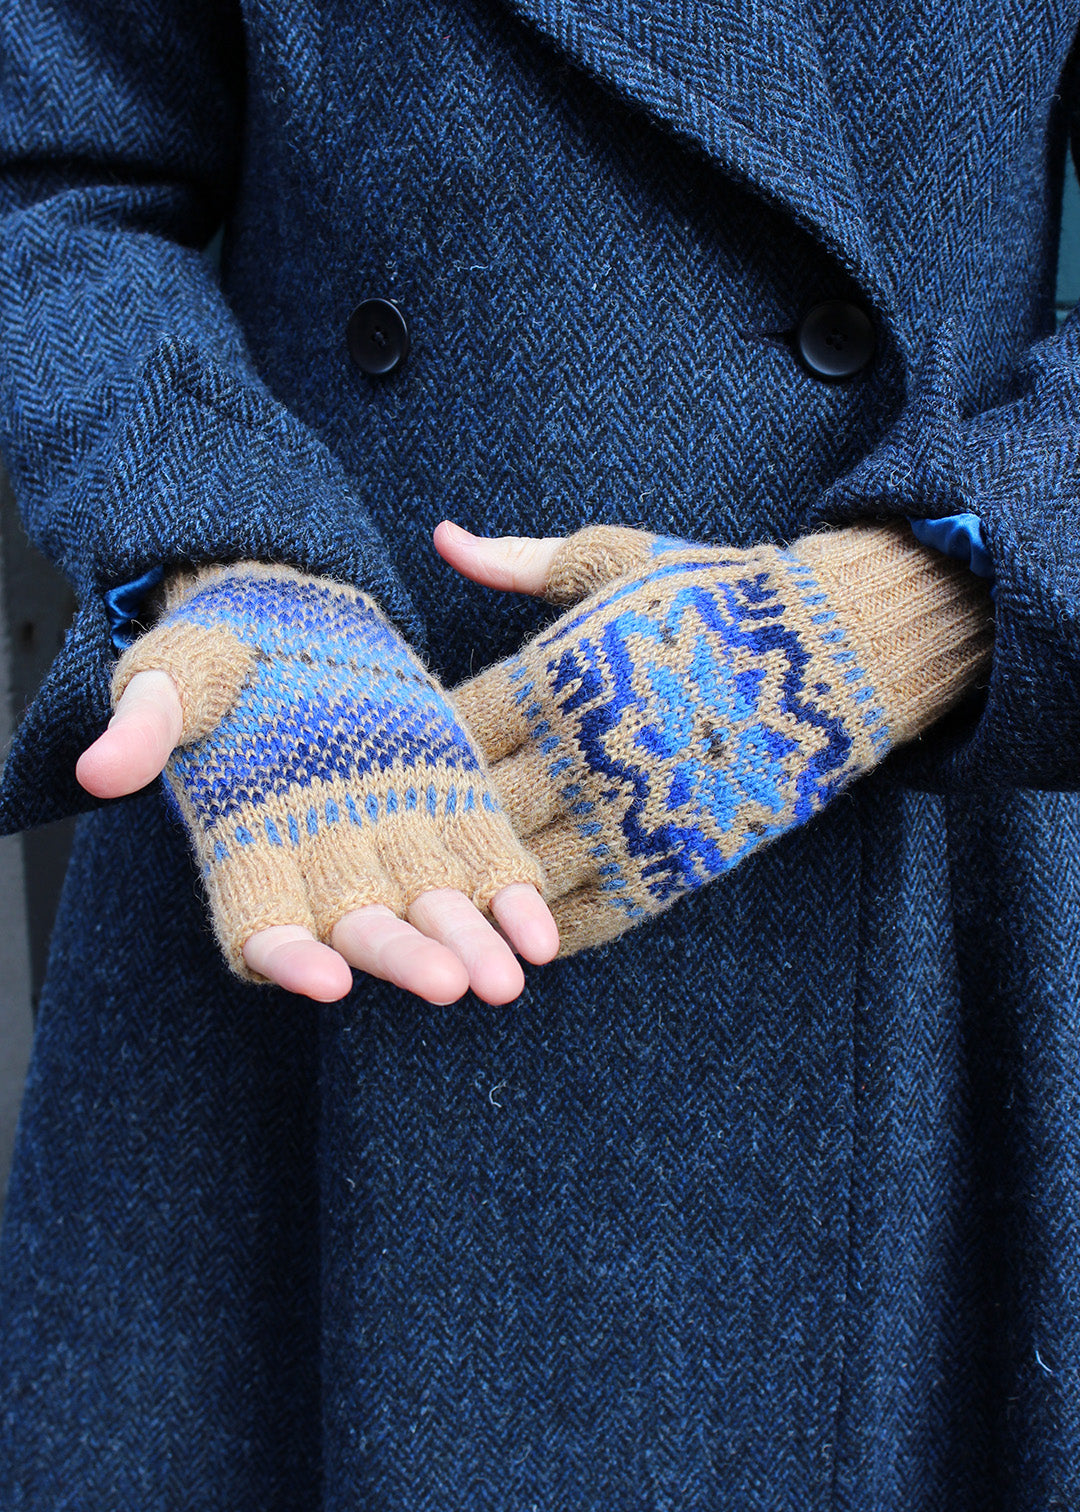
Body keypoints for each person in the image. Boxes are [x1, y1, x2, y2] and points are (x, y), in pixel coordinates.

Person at [0, 0, 1078, 1506]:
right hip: (320, 796)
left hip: (894, 833)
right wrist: (224, 540)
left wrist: (938, 598)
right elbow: (57, 173)